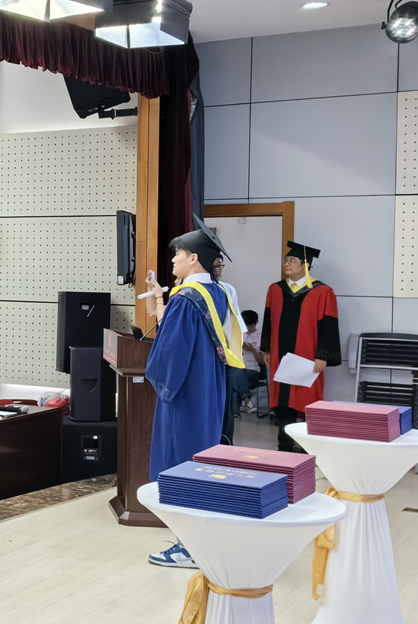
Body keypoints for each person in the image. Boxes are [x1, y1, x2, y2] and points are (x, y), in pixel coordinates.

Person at [143, 218, 241, 569]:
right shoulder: (219, 293)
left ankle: (191, 548)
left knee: (183, 462)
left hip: (185, 394)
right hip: (210, 388)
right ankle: (206, 540)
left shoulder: (186, 299)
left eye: (178, 254)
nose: (173, 260)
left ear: (194, 258)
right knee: (204, 460)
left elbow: (171, 354)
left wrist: (158, 381)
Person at [261, 241, 341, 454]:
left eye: (292, 260)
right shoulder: (276, 289)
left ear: (305, 265)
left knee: (307, 399)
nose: (287, 264)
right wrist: (267, 349)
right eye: (285, 260)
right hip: (279, 355)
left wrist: (323, 355)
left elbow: (329, 325)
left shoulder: (323, 292)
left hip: (308, 356)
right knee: (283, 400)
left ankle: (308, 446)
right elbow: (268, 320)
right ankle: (284, 444)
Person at [210, 257, 249, 445]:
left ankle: (225, 443)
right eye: (214, 265)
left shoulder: (227, 289)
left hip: (226, 355)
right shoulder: (194, 289)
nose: (218, 269)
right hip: (207, 355)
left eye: (220, 265)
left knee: (226, 402)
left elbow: (235, 322)